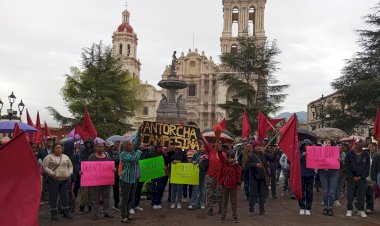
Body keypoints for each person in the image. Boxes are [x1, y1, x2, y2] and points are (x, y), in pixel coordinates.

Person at [42, 143, 73, 221]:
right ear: (53, 149)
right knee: (53, 197)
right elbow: (44, 167)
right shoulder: (48, 157)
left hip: (64, 180)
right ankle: (54, 214)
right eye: (57, 148)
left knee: (64, 196)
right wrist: (52, 174)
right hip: (53, 180)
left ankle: (66, 212)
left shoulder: (65, 157)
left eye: (60, 148)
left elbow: (70, 166)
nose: (59, 149)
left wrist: (69, 173)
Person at [86, 141, 114, 220]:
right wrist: (83, 172)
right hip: (95, 181)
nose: (101, 148)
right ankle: (94, 214)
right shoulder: (92, 157)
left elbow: (110, 166)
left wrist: (113, 169)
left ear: (104, 147)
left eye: (102, 146)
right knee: (95, 198)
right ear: (96, 147)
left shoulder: (107, 155)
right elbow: (87, 168)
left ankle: (107, 212)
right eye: (99, 146)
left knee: (106, 197)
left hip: (106, 180)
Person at [119, 129, 142, 223]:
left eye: (131, 144)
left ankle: (127, 215)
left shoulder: (131, 150)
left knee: (130, 198)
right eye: (130, 145)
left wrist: (139, 131)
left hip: (133, 178)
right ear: (125, 146)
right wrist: (139, 152)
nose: (132, 145)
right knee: (125, 199)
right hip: (126, 179)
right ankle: (123, 217)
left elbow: (137, 142)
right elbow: (134, 159)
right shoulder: (123, 154)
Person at [201, 135, 226, 216]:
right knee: (209, 193)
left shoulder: (224, 154)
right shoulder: (211, 150)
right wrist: (200, 133)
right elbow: (204, 141)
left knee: (220, 194)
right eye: (217, 143)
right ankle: (210, 208)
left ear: (221, 145)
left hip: (220, 177)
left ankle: (221, 208)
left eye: (220, 143)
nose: (218, 144)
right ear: (214, 144)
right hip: (210, 176)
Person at [345, 138, 370, 218]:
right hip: (351, 178)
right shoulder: (349, 154)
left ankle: (361, 210)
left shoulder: (366, 154)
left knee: (361, 195)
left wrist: (361, 176)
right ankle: (349, 209)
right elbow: (347, 166)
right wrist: (353, 176)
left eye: (360, 145)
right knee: (350, 194)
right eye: (357, 144)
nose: (358, 146)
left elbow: (367, 167)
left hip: (362, 178)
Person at [248, 141, 272, 215]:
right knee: (253, 194)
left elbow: (272, 158)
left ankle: (262, 210)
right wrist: (255, 165)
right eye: (256, 146)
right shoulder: (251, 156)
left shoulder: (264, 155)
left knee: (262, 195)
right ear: (254, 147)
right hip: (254, 178)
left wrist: (276, 150)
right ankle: (251, 209)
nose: (258, 147)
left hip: (262, 178)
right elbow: (247, 165)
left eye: (259, 145)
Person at [219, 151, 242, 223]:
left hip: (233, 187)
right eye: (229, 158)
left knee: (233, 202)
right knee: (224, 202)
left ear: (234, 158)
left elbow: (238, 176)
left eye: (232, 158)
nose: (230, 159)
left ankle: (235, 217)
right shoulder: (224, 165)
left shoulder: (236, 166)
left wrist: (238, 184)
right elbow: (221, 157)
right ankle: (223, 217)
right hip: (225, 186)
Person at [319, 140, 340, 216]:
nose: (327, 144)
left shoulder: (336, 152)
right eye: (326, 142)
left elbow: (342, 164)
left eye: (329, 142)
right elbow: (316, 162)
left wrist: (339, 161)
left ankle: (330, 208)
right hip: (323, 173)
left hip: (333, 173)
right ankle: (325, 207)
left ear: (332, 144)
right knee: (325, 191)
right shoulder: (320, 152)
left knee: (331, 191)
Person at [298, 139, 315, 216]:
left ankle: (308, 208)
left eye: (308, 145)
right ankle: (301, 207)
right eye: (305, 144)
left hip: (310, 175)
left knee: (309, 192)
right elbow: (295, 161)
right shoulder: (299, 152)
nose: (307, 146)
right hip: (301, 174)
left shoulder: (314, 153)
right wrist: (302, 155)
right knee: (301, 192)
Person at [189, 143, 208, 210]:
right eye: (201, 147)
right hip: (196, 174)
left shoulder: (207, 155)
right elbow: (191, 163)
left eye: (203, 147)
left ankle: (201, 204)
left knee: (203, 190)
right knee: (195, 189)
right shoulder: (195, 154)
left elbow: (208, 165)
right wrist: (193, 162)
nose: (202, 148)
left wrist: (206, 172)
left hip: (203, 174)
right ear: (199, 148)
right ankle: (192, 204)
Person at [79, 138, 95, 213]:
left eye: (90, 143)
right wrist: (80, 170)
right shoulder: (83, 151)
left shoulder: (95, 152)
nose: (88, 144)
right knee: (84, 191)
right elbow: (80, 162)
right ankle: (82, 206)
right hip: (84, 173)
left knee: (91, 191)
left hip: (92, 174)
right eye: (87, 143)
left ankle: (90, 205)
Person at [105, 141, 121, 210]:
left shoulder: (116, 152)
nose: (111, 147)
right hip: (107, 175)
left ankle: (116, 204)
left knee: (116, 190)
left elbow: (119, 160)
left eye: (112, 146)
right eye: (109, 146)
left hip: (115, 174)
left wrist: (111, 161)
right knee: (106, 191)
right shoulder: (105, 154)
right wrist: (113, 161)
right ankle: (105, 206)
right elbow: (106, 161)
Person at [38, 136, 54, 205]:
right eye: (48, 141)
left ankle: (51, 199)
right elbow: (39, 159)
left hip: (53, 171)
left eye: (50, 141)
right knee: (44, 185)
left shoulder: (55, 150)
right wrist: (43, 164)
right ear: (45, 142)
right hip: (44, 171)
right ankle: (44, 199)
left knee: (52, 185)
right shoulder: (42, 151)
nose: (49, 142)